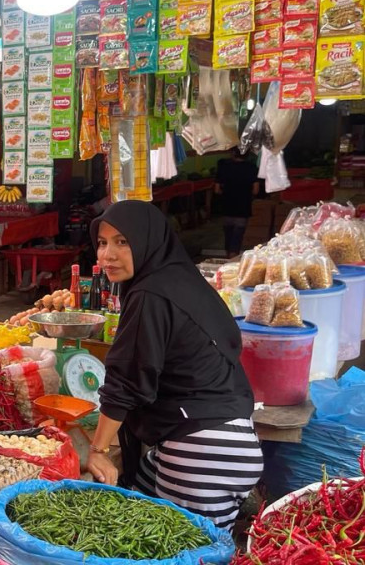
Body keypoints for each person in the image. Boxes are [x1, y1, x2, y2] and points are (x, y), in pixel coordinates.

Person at [86, 200, 261, 531]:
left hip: (202, 455)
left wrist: (98, 450)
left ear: (148, 240)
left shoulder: (150, 295)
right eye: (102, 242)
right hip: (230, 441)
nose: (106, 255)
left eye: (123, 242)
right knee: (133, 516)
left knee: (189, 552)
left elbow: (126, 381)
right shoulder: (182, 279)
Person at [215, 151, 259, 257]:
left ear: (233, 154)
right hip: (243, 206)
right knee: (238, 233)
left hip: (227, 205)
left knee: (228, 233)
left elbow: (216, 190)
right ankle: (233, 256)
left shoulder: (224, 167)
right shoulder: (252, 168)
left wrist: (226, 193)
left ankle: (228, 254)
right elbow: (255, 190)